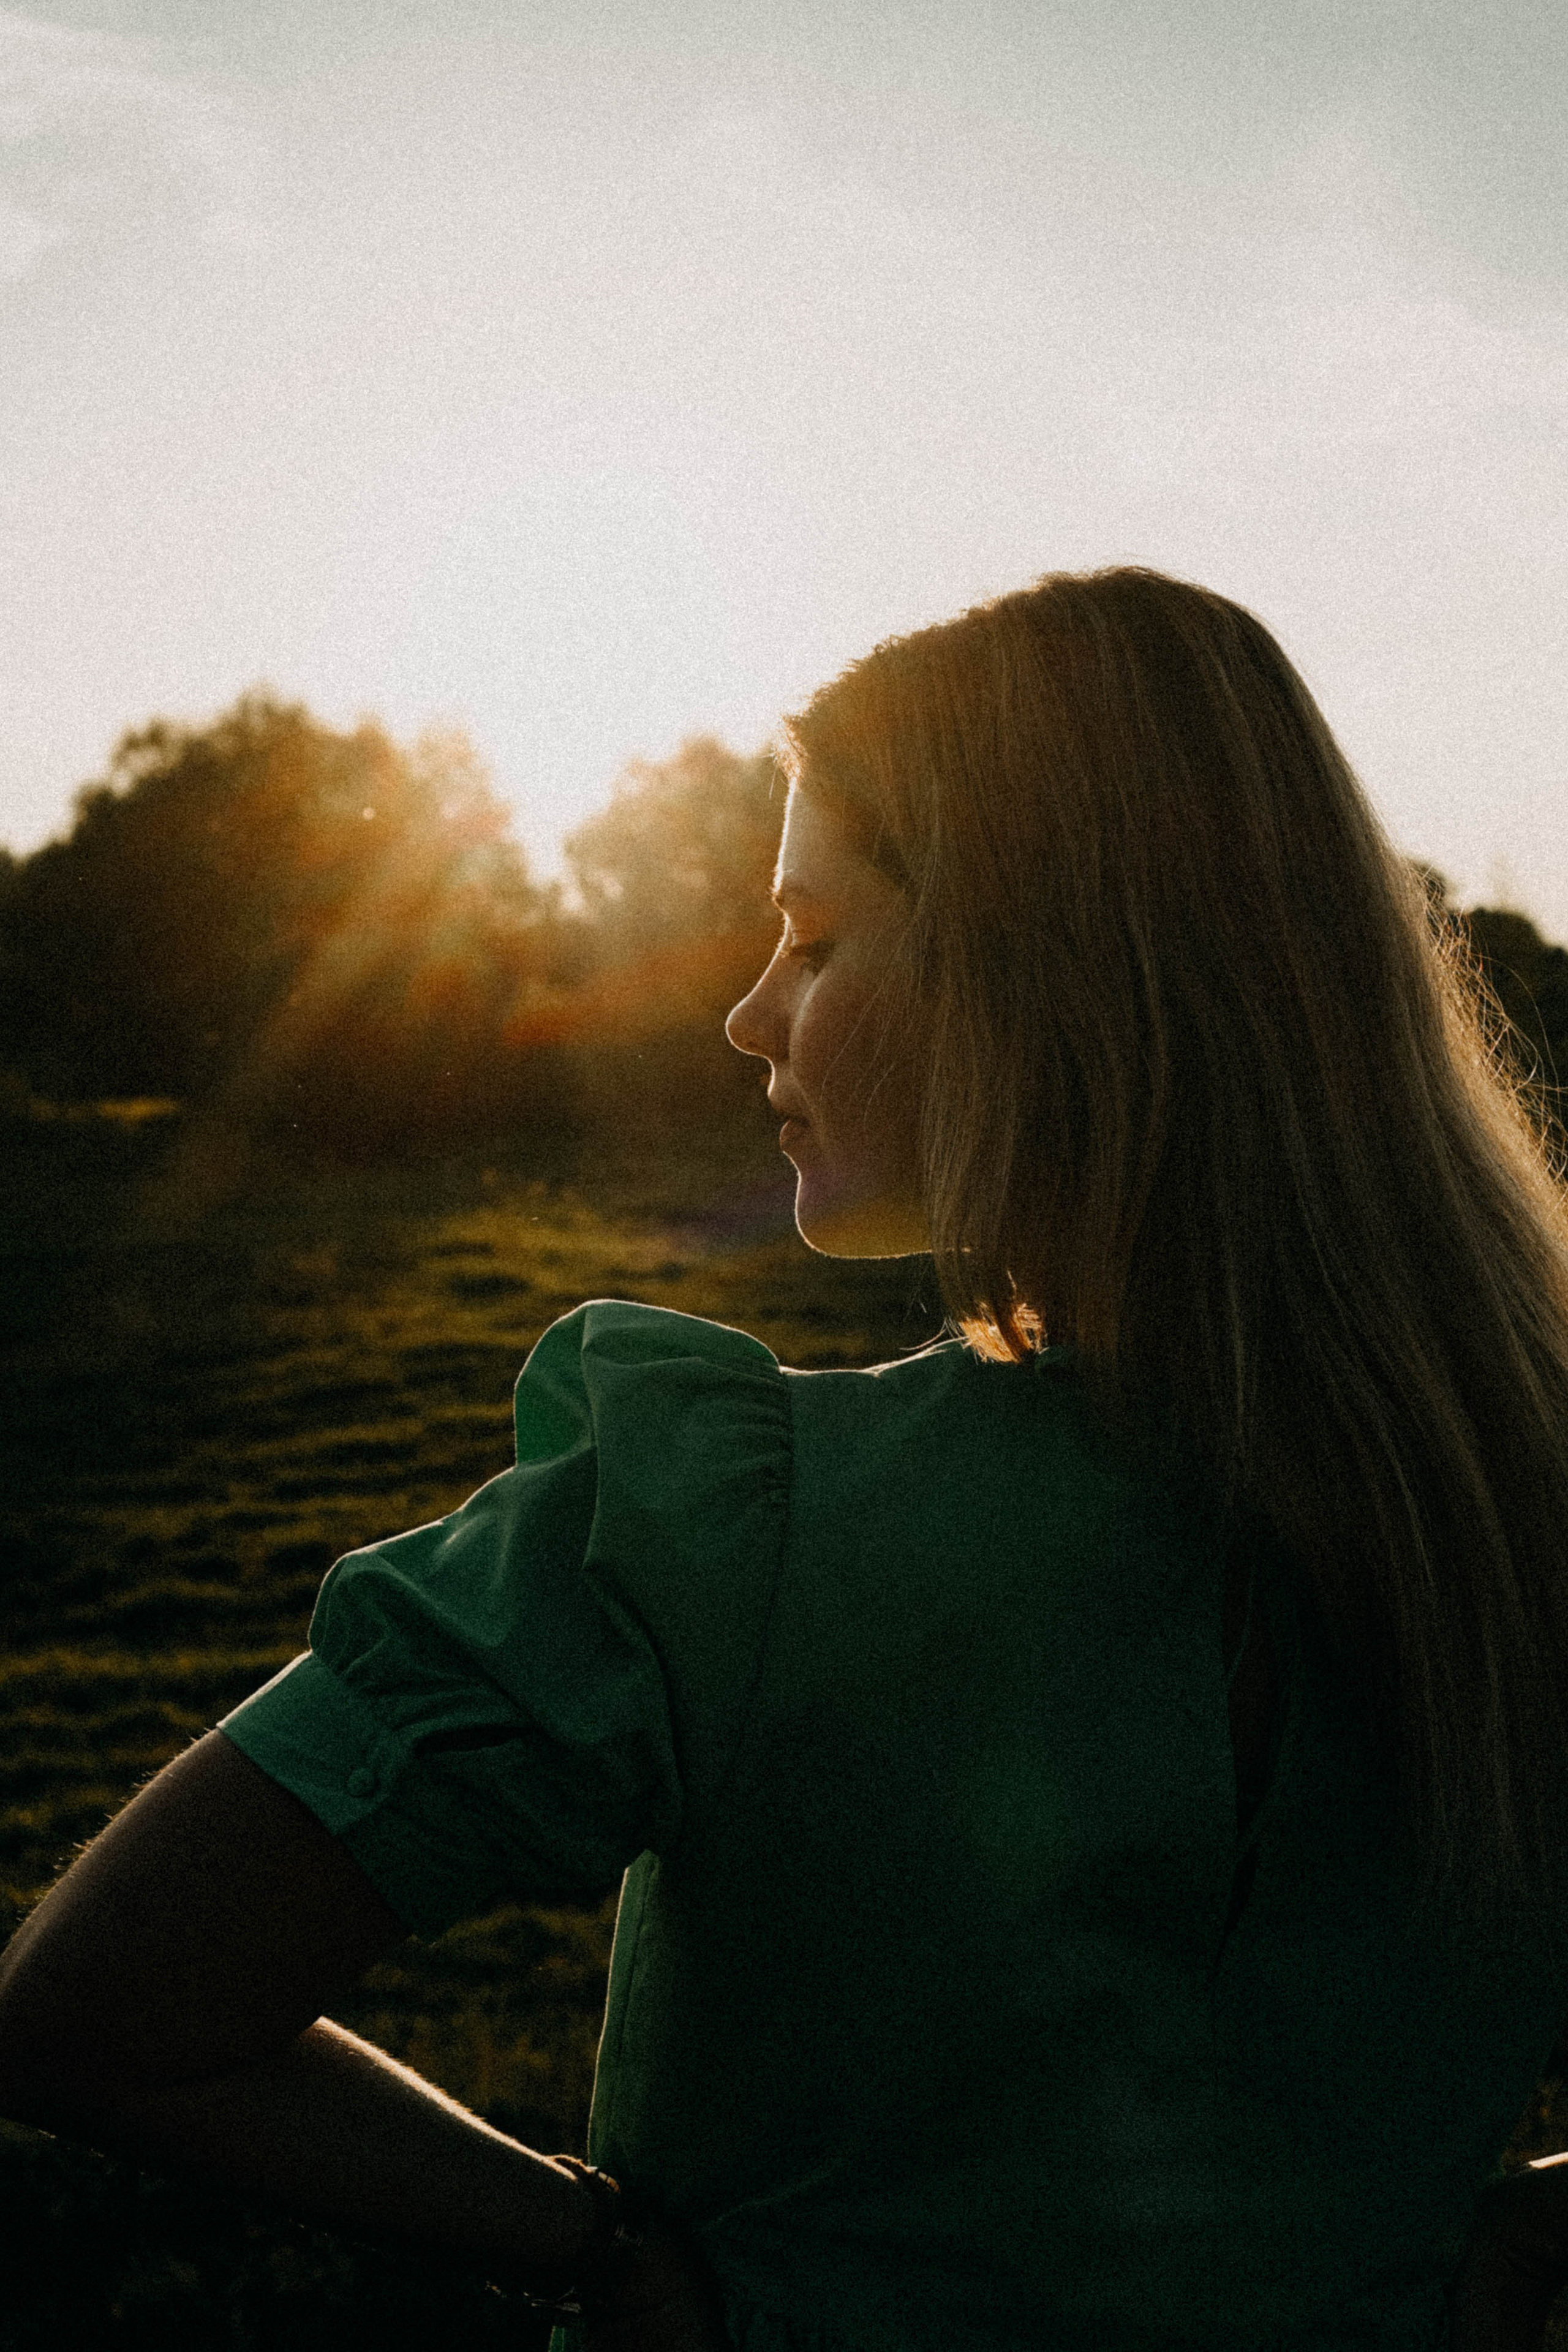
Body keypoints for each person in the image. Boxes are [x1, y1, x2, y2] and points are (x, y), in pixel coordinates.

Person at [4, 564, 1568, 2350]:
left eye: (813, 939)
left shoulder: (722, 1534)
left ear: (1037, 972)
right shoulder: (1522, 1511)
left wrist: (587, 2245)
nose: (753, 1015)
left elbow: (91, 2004)